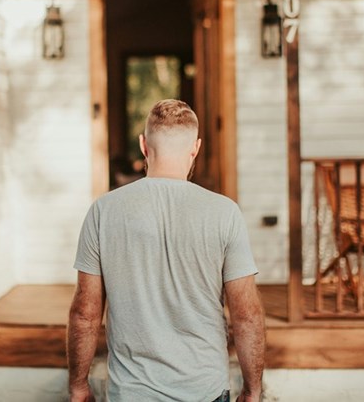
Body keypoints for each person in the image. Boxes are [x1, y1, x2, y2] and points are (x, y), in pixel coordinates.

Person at [67, 99, 265, 402]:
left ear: (143, 146)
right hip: (205, 391)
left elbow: (85, 314)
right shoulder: (225, 213)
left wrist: (79, 385)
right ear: (195, 148)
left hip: (131, 393)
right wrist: (252, 390)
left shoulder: (103, 211)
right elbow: (246, 315)